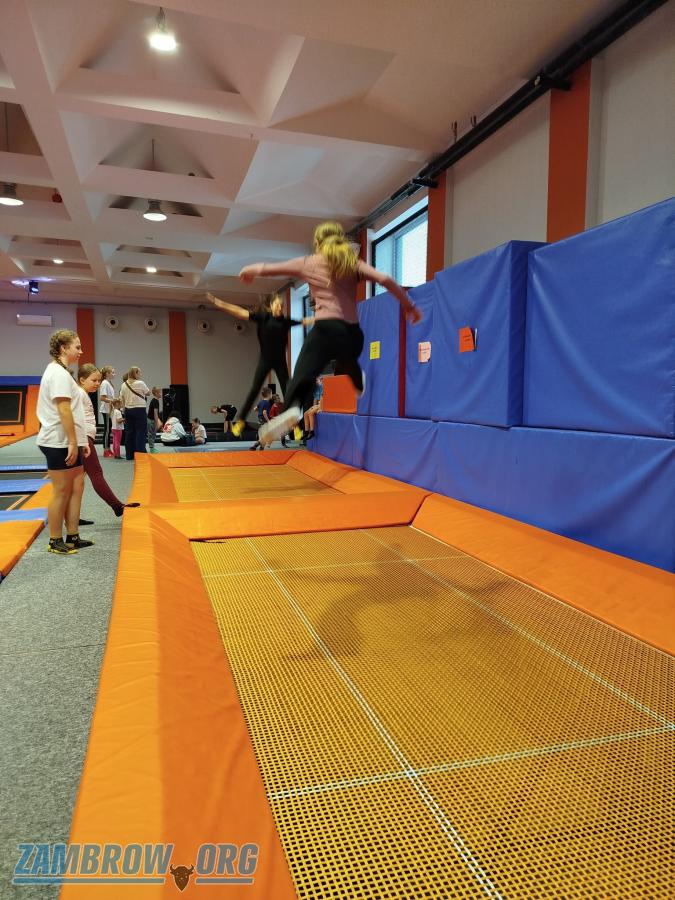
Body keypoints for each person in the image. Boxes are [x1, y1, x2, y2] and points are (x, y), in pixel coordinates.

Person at [238, 221, 422, 445]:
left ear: (318, 243)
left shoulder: (311, 262)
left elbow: (273, 268)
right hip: (351, 334)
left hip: (324, 330)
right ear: (340, 240)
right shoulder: (351, 263)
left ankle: (292, 409)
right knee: (349, 360)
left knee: (302, 375)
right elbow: (385, 279)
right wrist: (409, 305)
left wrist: (251, 270)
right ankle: (358, 380)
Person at [205, 292, 312, 435]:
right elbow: (239, 312)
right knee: (255, 389)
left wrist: (321, 317)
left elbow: (304, 321)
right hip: (265, 360)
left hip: (280, 362)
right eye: (277, 305)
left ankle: (294, 425)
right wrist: (220, 303)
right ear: (271, 306)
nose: (280, 308)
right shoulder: (263, 317)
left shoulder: (285, 321)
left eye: (282, 306)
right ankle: (241, 420)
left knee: (288, 392)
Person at [36, 330, 94, 555]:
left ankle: (73, 536)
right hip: (57, 441)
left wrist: (81, 440)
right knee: (61, 490)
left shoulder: (63, 373)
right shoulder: (57, 373)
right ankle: (54, 540)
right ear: (63, 347)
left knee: (77, 485)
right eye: (77, 347)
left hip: (69, 440)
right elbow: (63, 409)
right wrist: (72, 441)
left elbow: (75, 411)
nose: (81, 351)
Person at [77, 365, 139, 518]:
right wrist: (82, 441)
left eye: (99, 380)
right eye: (94, 380)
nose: (97, 384)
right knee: (96, 473)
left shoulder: (83, 394)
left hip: (84, 437)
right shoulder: (79, 394)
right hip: (83, 439)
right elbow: (74, 419)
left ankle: (73, 517)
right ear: (82, 380)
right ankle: (116, 506)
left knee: (78, 480)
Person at [119, 366, 150, 460]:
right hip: (139, 409)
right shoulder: (140, 383)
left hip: (128, 410)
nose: (141, 374)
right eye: (139, 372)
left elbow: (121, 398)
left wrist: (123, 409)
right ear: (135, 373)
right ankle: (140, 454)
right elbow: (148, 393)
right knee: (140, 431)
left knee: (129, 432)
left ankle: (129, 455)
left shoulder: (124, 384)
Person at [99, 366, 116, 458]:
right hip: (106, 410)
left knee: (109, 430)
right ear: (107, 374)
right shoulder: (105, 383)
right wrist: (112, 401)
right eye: (112, 372)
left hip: (109, 409)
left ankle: (108, 449)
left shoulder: (108, 383)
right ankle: (106, 450)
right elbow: (102, 398)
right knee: (107, 430)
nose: (114, 374)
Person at [303, 376, 324, 443]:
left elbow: (322, 399)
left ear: (321, 380)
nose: (315, 382)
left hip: (323, 404)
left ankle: (312, 431)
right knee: (305, 413)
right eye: (314, 381)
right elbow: (315, 400)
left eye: (316, 380)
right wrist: (312, 407)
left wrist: (320, 408)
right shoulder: (316, 389)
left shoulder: (322, 387)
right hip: (318, 404)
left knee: (310, 413)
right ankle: (306, 432)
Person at [147, 387, 162, 453]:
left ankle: (152, 447)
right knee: (151, 434)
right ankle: (152, 449)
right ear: (156, 393)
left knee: (153, 434)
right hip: (151, 420)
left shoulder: (155, 401)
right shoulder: (155, 401)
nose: (161, 394)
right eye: (160, 392)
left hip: (151, 420)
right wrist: (156, 422)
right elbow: (155, 413)